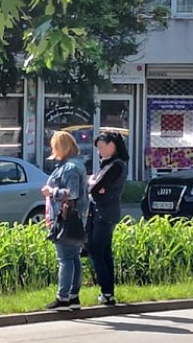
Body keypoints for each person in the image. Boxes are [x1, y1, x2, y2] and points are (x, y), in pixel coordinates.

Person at [42, 130, 89, 311]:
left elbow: (72, 193)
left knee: (65, 258)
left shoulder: (69, 168)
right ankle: (73, 296)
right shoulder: (75, 164)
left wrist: (51, 192)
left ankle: (62, 298)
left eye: (54, 146)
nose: (53, 150)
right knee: (73, 257)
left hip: (66, 218)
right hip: (75, 218)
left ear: (61, 147)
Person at [87, 131, 129, 306]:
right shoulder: (107, 164)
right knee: (104, 252)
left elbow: (96, 188)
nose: (99, 151)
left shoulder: (116, 165)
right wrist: (95, 184)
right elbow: (97, 186)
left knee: (96, 251)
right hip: (102, 212)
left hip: (106, 214)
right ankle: (108, 292)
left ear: (112, 146)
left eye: (102, 147)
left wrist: (94, 184)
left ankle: (106, 291)